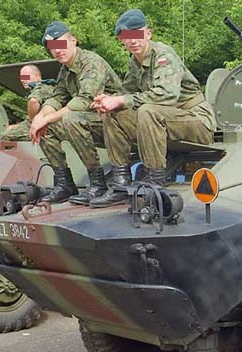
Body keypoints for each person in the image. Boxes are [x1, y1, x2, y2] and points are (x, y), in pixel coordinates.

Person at [89, 9, 216, 207]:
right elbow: (128, 92)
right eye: (126, 37)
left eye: (137, 34)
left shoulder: (163, 55)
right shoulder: (135, 62)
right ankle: (121, 181)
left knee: (147, 110)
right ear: (121, 41)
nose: (132, 41)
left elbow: (167, 95)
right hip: (166, 120)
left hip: (196, 119)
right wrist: (109, 100)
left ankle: (155, 180)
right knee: (114, 113)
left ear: (148, 33)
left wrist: (121, 100)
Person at [29, 21, 123, 205]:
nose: (57, 51)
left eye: (61, 44)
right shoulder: (66, 70)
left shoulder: (91, 62)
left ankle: (97, 184)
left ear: (73, 41)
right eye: (52, 48)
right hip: (93, 121)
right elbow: (57, 98)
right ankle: (64, 184)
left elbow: (84, 100)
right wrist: (40, 117)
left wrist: (45, 118)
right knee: (48, 127)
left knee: (71, 118)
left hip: (117, 122)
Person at [1, 65, 55, 141]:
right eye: (21, 78)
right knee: (10, 128)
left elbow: (34, 101)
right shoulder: (49, 87)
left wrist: (31, 121)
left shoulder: (39, 88)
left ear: (36, 76)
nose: (23, 80)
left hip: (45, 128)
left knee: (5, 135)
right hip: (49, 125)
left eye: (26, 77)